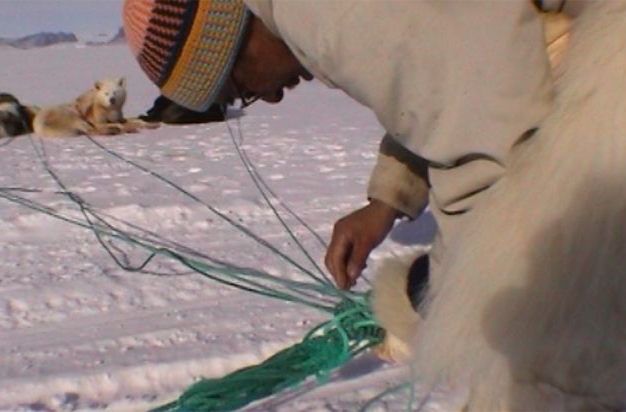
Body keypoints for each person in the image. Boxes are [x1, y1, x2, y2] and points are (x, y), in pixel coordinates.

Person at [122, 0, 614, 409]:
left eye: (238, 88)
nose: (266, 98)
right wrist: (386, 200)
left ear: (230, 37)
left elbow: (497, 155)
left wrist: (437, 293)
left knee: (540, 351)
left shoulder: (330, 17)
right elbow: (446, 70)